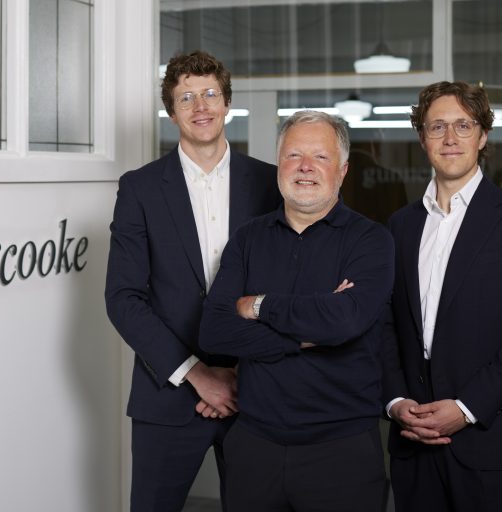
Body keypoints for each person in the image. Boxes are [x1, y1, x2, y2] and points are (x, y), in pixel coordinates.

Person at [105, 50, 280, 512]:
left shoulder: (270, 183)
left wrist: (241, 373)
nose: (200, 106)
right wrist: (198, 375)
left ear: (227, 104)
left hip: (255, 390)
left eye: (210, 94)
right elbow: (123, 298)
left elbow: (285, 285)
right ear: (171, 111)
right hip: (168, 392)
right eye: (186, 97)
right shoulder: (139, 189)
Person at [199, 110, 394, 511]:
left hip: (342, 451)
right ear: (279, 165)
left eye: (320, 157)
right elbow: (214, 330)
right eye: (293, 155)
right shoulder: (248, 238)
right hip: (254, 446)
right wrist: (306, 335)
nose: (305, 167)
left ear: (342, 170)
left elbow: (344, 321)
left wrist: (258, 305)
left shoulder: (371, 241)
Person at [382, 81, 502, 511]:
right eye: (437, 126)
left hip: (489, 446)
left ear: (483, 136)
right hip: (413, 445)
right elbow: (386, 326)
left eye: (464, 125)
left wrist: (466, 408)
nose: (450, 137)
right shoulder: (400, 226)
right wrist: (396, 401)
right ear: (422, 138)